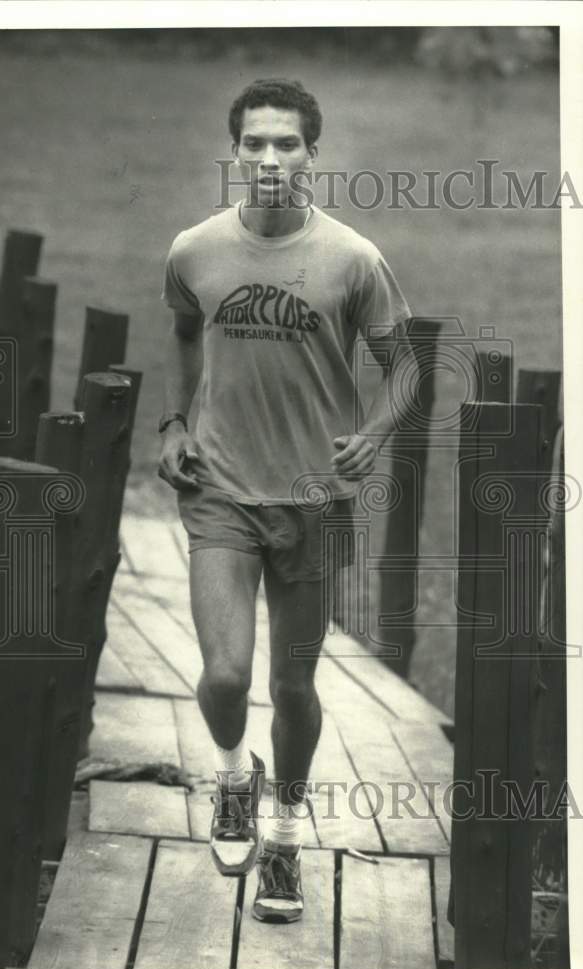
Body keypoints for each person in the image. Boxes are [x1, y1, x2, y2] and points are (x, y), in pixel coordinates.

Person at [158, 78, 417, 923]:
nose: (269, 159)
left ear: (313, 153)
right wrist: (172, 422)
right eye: (254, 143)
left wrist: (374, 433)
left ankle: (285, 837)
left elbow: (405, 365)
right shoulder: (194, 249)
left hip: (313, 499)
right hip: (221, 493)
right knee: (226, 676)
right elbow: (185, 331)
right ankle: (234, 778)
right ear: (234, 151)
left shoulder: (351, 258)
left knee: (294, 687)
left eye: (287, 144)